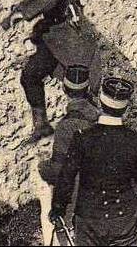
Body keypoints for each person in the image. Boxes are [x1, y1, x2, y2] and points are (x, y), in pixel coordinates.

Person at [2, 0, 100, 144]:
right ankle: (41, 125)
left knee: (82, 89)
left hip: (72, 37)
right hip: (52, 38)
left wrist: (26, 14)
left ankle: (97, 135)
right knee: (30, 75)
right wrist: (13, 15)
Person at [50, 78, 137, 246]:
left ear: (100, 101)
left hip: (89, 220)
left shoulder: (82, 138)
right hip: (125, 221)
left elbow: (67, 178)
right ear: (125, 107)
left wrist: (58, 208)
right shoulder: (136, 141)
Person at [34, 65, 99, 245]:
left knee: (45, 189)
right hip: (103, 197)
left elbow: (58, 171)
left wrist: (42, 167)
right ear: (86, 89)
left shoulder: (66, 127)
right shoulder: (100, 117)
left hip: (79, 203)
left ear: (65, 89)